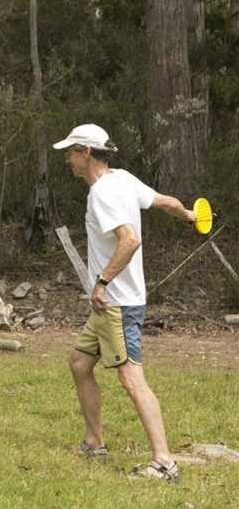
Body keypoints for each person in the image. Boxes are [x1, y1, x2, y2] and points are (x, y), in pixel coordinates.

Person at [53, 124, 195, 482]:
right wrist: (191, 216)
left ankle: (164, 462)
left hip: (116, 304)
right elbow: (167, 203)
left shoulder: (102, 193)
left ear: (86, 152)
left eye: (71, 152)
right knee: (79, 364)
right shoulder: (124, 178)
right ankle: (94, 441)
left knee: (132, 380)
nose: (67, 159)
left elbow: (129, 241)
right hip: (108, 307)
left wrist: (101, 282)